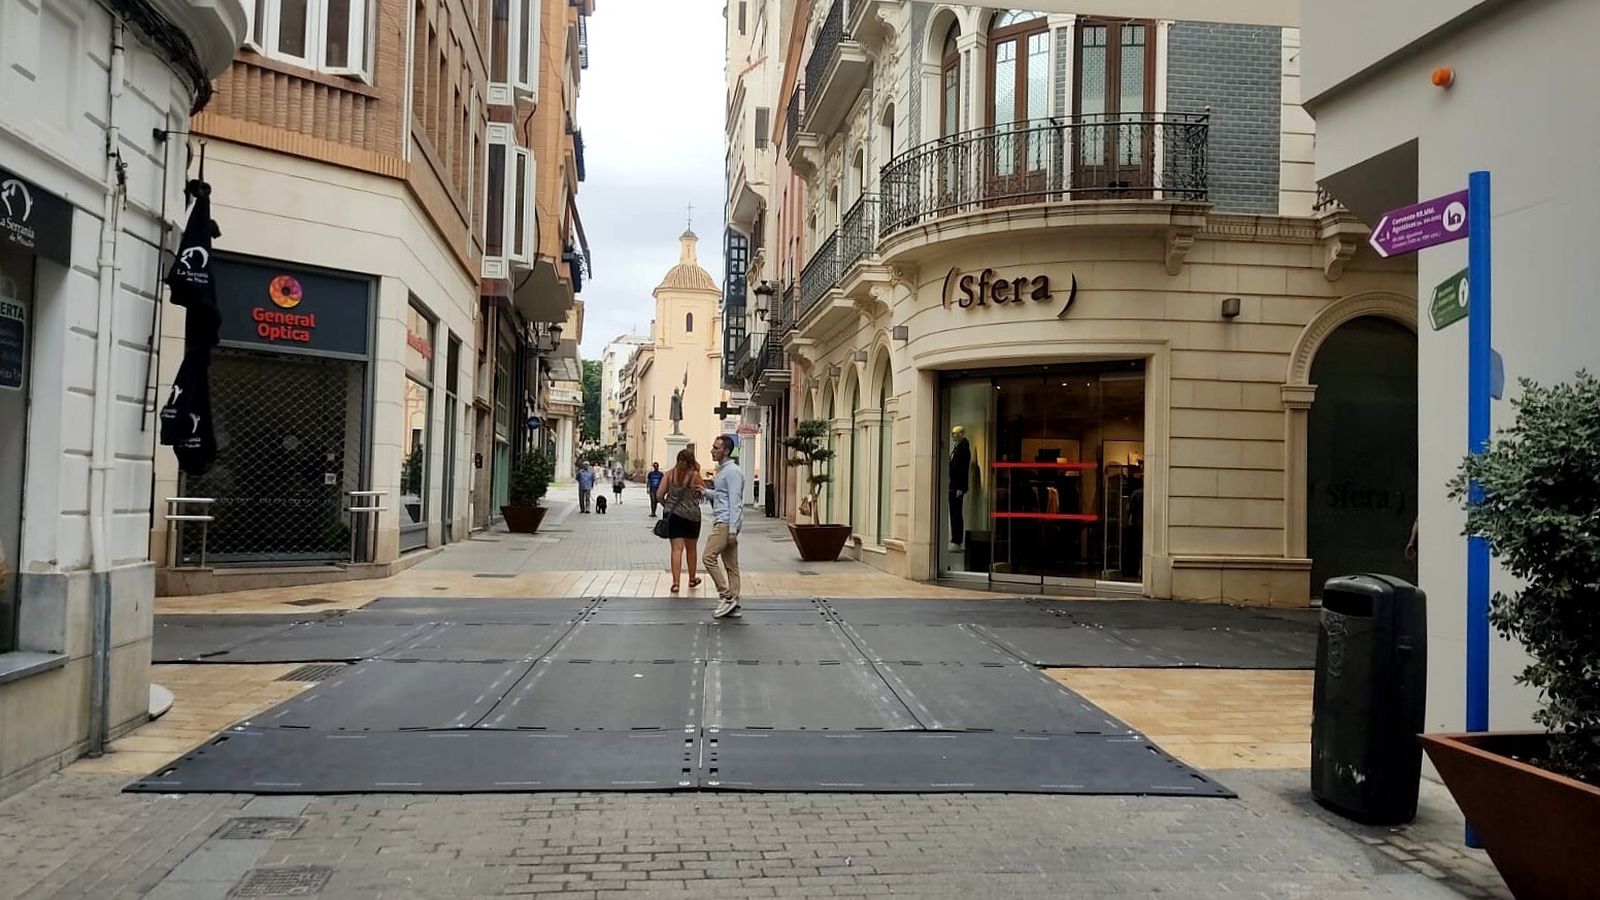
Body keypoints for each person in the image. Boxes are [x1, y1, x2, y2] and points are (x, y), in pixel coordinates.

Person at [704, 434, 745, 619]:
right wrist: (705, 492)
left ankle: (726, 596)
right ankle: (734, 604)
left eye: (716, 448)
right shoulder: (722, 471)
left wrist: (732, 530)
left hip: (726, 522)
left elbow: (735, 501)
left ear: (726, 451)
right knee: (731, 565)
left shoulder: (733, 472)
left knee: (708, 557)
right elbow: (722, 496)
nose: (712, 450)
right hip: (725, 521)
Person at [656, 448, 704, 593]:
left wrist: (667, 505)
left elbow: (659, 494)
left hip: (673, 515)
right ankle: (692, 579)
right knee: (691, 549)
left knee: (676, 549)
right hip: (692, 515)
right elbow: (702, 492)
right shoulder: (695, 475)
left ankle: (676, 583)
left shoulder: (669, 474)